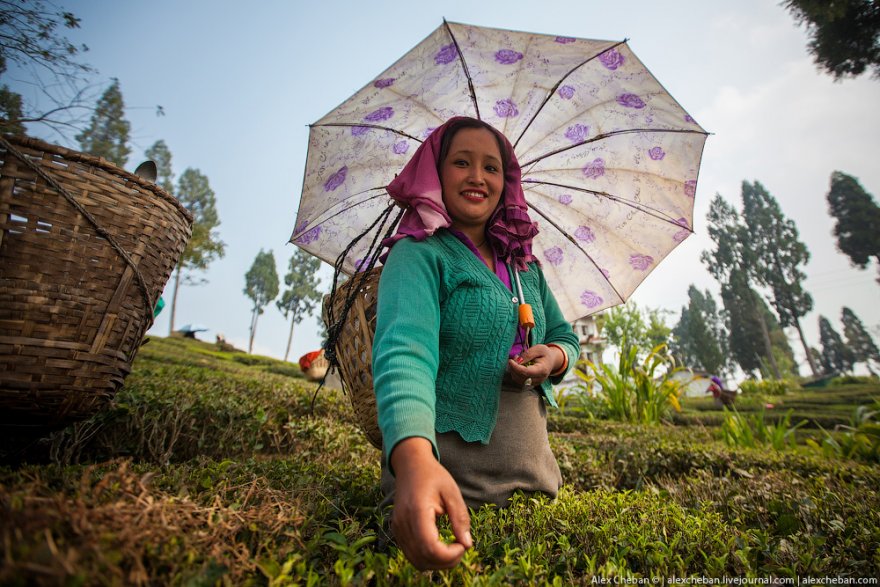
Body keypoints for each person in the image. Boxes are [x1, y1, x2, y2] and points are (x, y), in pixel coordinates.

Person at [372, 117, 579, 570]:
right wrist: (413, 465)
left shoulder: (526, 267)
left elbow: (565, 336)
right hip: (448, 494)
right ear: (435, 173)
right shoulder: (418, 254)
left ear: (507, 182)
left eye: (492, 167)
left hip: (538, 492)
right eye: (461, 162)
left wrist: (556, 357)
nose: (477, 177)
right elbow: (405, 354)